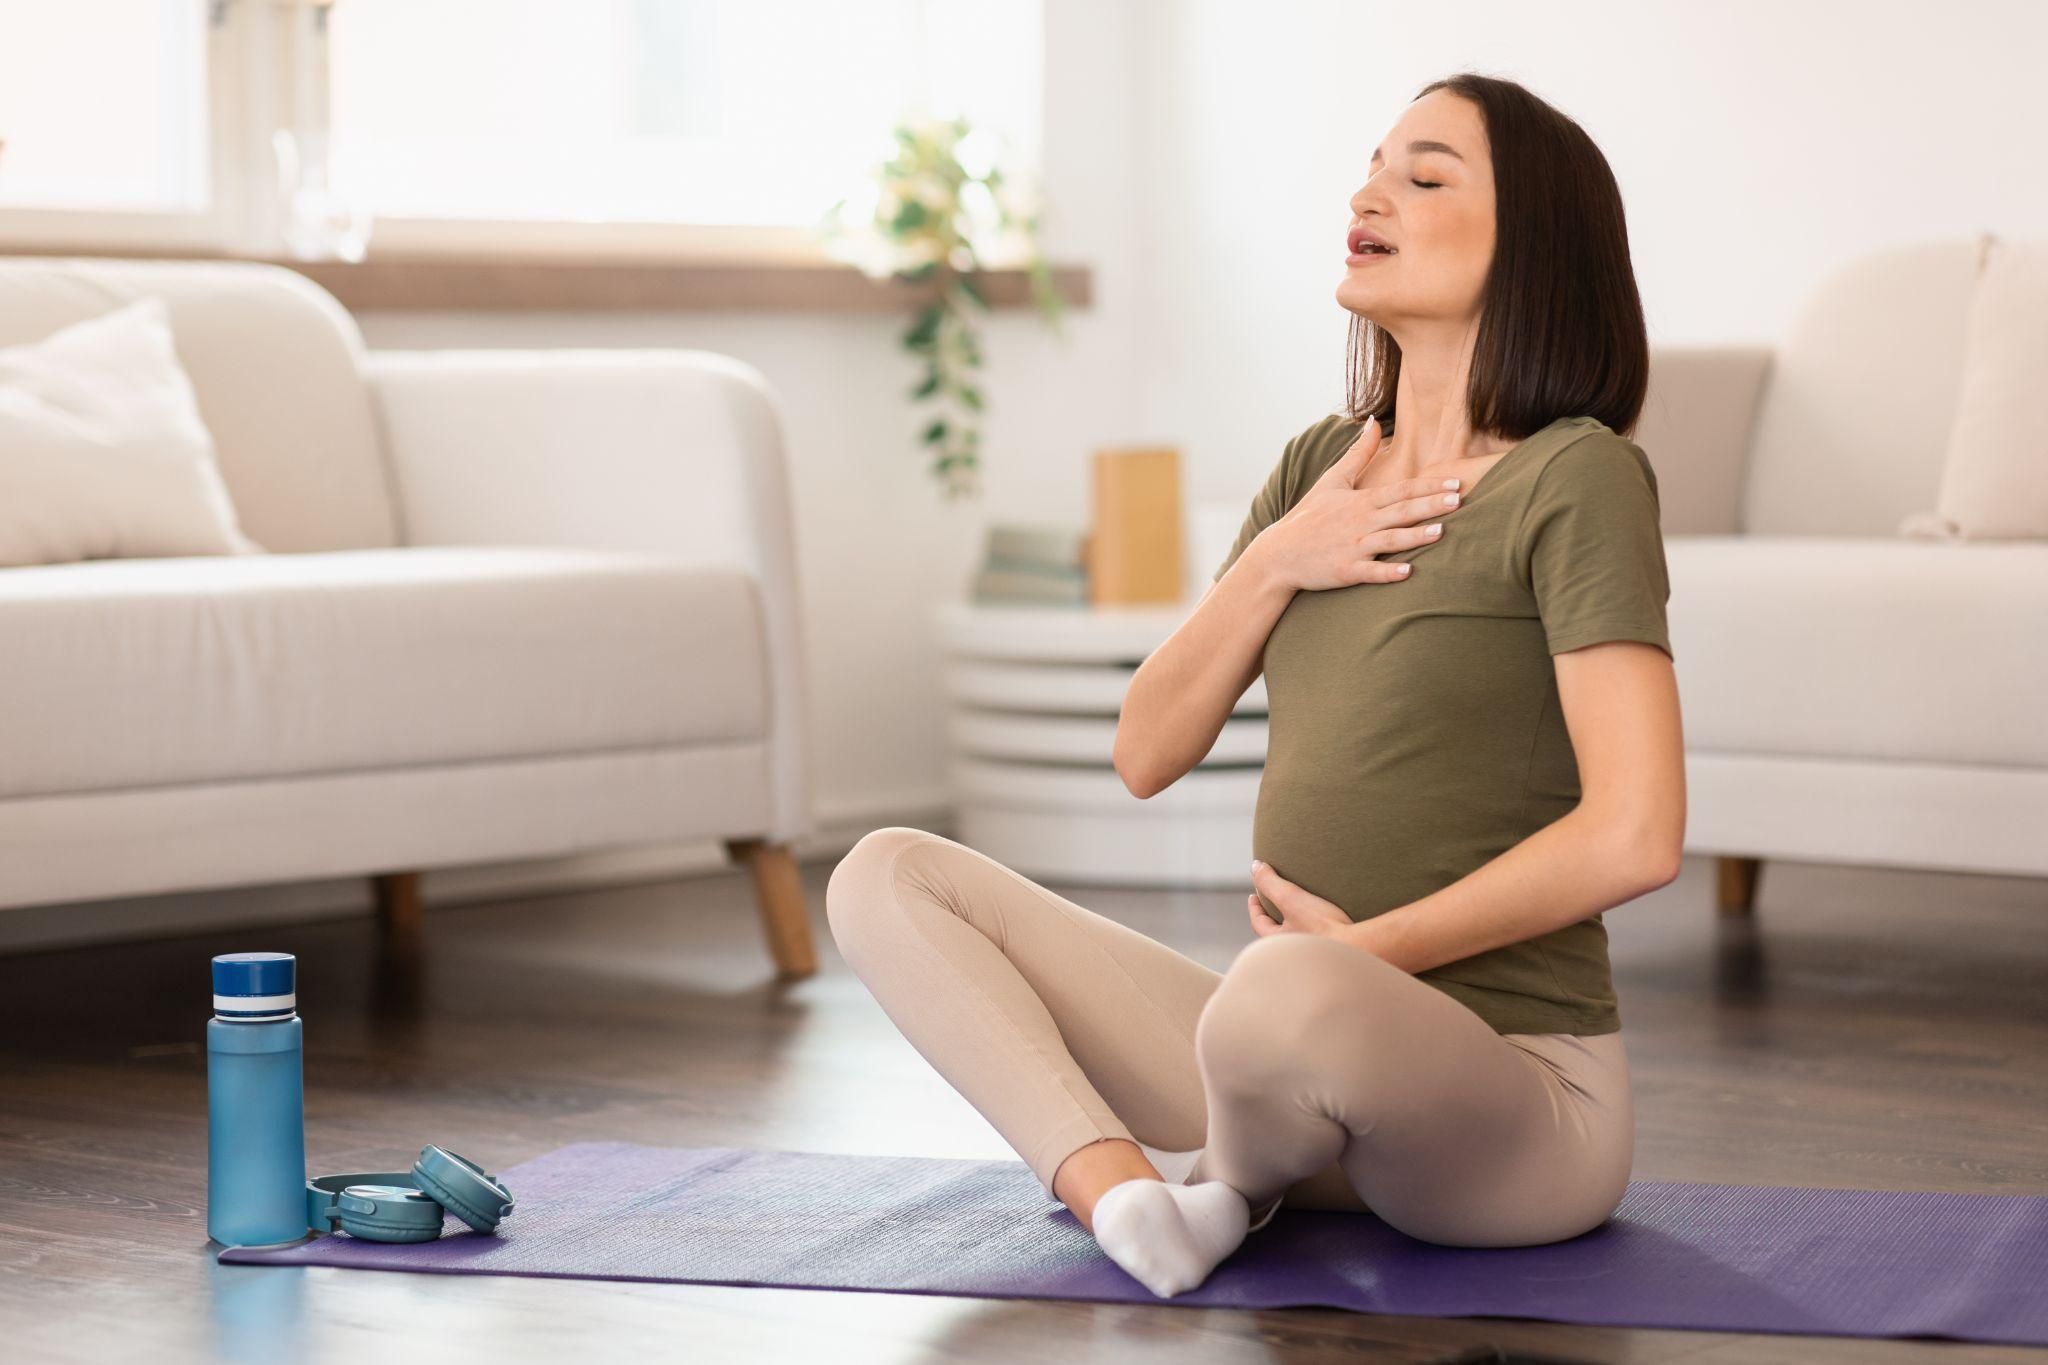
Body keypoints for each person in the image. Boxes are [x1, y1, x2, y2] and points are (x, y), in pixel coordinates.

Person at [825, 71, 1685, 1299]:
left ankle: (1226, 1177)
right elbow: (1144, 750)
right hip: (1283, 1066)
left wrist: (1359, 962)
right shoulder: (1319, 465)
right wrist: (1279, 558)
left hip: (1512, 1107)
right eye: (1373, 165)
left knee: (1277, 990)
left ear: (1534, 248)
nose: (1368, 191)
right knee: (888, 876)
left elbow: (1637, 834)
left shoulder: (1575, 478)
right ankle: (1135, 1201)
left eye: (1424, 175)